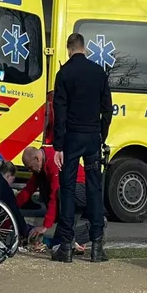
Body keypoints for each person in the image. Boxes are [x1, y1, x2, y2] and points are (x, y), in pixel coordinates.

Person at [52, 33, 113, 263]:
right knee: (94, 189)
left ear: (69, 49)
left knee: (67, 189)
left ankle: (66, 246)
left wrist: (58, 145)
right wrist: (101, 134)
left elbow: (60, 112)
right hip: (92, 137)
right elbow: (108, 108)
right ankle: (97, 246)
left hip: (71, 138)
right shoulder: (99, 73)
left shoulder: (64, 74)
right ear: (84, 48)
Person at [16, 145, 91, 253]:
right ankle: (71, 239)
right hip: (70, 192)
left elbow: (54, 197)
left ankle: (87, 232)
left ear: (37, 159)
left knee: (61, 193)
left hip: (81, 190)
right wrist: (11, 206)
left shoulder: (54, 161)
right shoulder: (41, 167)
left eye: (30, 167)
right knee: (57, 240)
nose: (29, 170)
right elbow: (28, 189)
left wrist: (45, 226)